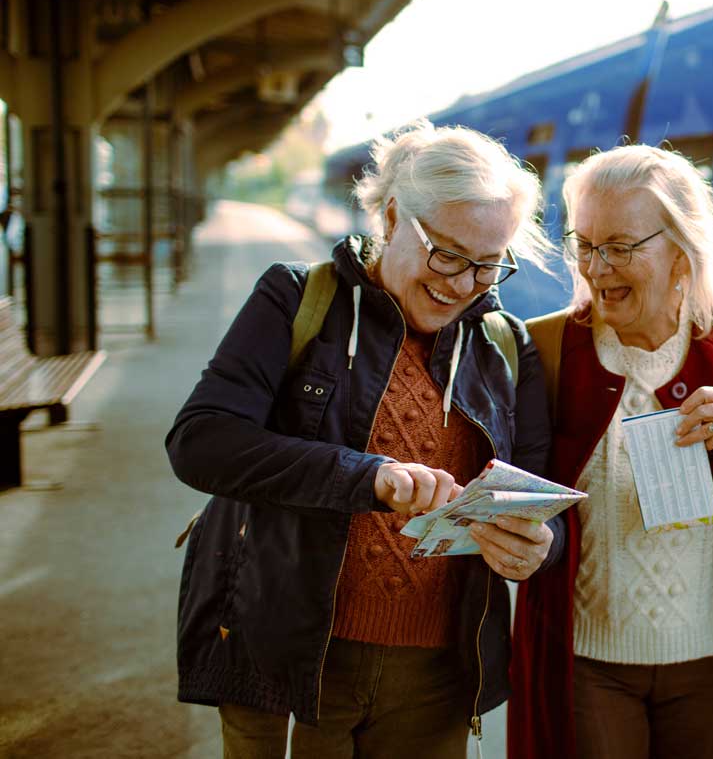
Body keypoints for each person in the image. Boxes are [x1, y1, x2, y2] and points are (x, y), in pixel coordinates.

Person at [167, 122, 562, 758]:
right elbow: (200, 441)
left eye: (489, 265)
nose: (462, 284)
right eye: (448, 253)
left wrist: (538, 547)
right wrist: (366, 476)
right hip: (292, 657)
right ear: (393, 214)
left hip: (436, 674)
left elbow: (540, 491)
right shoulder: (297, 298)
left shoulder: (506, 347)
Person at [508, 145, 713, 759]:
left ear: (681, 250)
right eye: (584, 244)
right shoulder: (548, 348)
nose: (596, 267)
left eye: (619, 246)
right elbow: (523, 495)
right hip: (590, 659)